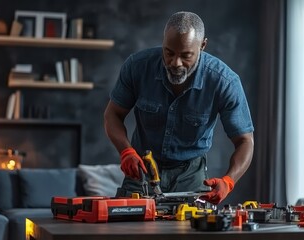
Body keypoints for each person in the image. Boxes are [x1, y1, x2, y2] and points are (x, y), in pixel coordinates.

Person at [104, 11, 254, 205]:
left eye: (186, 55)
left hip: (191, 174)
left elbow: (245, 141)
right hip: (142, 170)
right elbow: (112, 115)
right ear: (163, 41)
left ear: (202, 46)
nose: (175, 63)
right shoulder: (137, 67)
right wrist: (126, 151)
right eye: (169, 52)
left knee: (188, 234)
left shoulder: (224, 82)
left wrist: (228, 181)